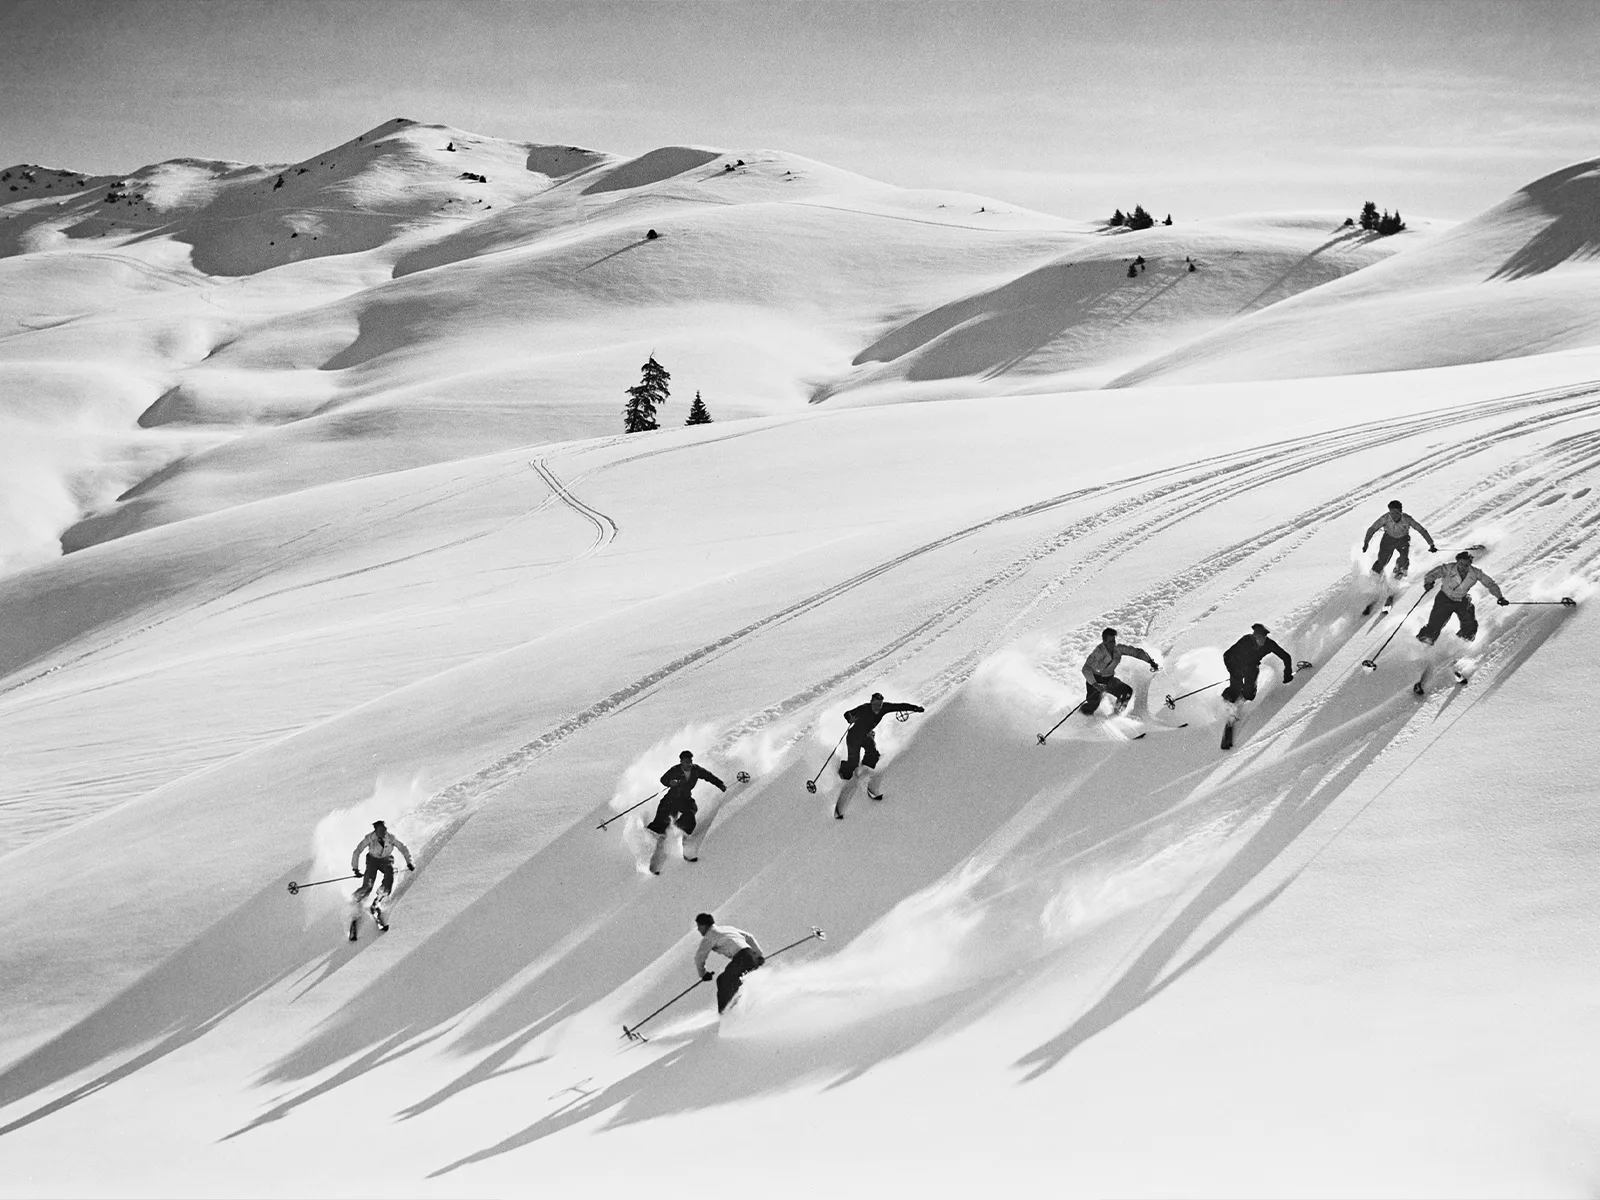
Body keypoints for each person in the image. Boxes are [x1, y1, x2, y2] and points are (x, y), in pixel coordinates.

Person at [838, 691, 925, 801]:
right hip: (854, 738)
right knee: (852, 764)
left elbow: (899, 706)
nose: (877, 707)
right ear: (871, 702)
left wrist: (915, 708)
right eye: (875, 704)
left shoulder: (884, 708)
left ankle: (865, 769)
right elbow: (847, 714)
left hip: (866, 736)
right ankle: (843, 770)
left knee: (874, 754)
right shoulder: (864, 708)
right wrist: (851, 718)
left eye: (879, 705)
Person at [1417, 551, 1507, 644]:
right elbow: (1433, 573)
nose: (1463, 567)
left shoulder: (1476, 573)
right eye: (1461, 564)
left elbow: (1490, 584)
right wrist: (1428, 582)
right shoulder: (1449, 568)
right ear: (1457, 562)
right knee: (1436, 622)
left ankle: (1464, 640)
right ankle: (1424, 641)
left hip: (1461, 599)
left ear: (1470, 564)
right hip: (1444, 598)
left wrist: (1500, 597)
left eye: (1466, 565)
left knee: (1469, 619)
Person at [349, 820, 414, 939]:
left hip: (386, 861)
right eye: (381, 831)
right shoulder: (369, 838)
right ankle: (356, 899)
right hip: (372, 861)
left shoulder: (391, 838)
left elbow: (403, 848)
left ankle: (377, 900)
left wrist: (409, 862)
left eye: (384, 830)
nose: (384, 832)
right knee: (367, 886)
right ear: (376, 831)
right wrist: (355, 869)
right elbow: (357, 851)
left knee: (388, 880)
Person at [645, 751, 726, 846]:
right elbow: (663, 779)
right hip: (672, 798)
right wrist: (670, 782)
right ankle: (650, 836)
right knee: (662, 819)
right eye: (686, 762)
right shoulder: (675, 770)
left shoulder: (696, 769)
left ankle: (678, 833)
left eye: (690, 761)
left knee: (691, 815)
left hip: (685, 798)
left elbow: (708, 776)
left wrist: (720, 784)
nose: (689, 764)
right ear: (681, 762)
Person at [693, 912, 766, 1013]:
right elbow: (749, 937)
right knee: (737, 980)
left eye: (699, 926)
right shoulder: (727, 928)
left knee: (723, 980)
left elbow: (699, 958)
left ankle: (726, 1011)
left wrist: (703, 974)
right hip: (750, 956)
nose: (698, 930)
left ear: (704, 926)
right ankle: (741, 1005)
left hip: (742, 957)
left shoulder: (710, 936)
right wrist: (758, 955)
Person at [1080, 627, 1159, 715]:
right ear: (1104, 641)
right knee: (1093, 704)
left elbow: (1136, 652)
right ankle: (1081, 716)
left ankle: (1116, 714)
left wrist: (1150, 661)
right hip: (1095, 680)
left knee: (1126, 692)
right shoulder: (1098, 653)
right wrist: (1095, 684)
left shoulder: (1118, 649)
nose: (1113, 644)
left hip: (1108, 679)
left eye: (1114, 641)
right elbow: (1086, 669)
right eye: (1110, 642)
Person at [1362, 500, 1437, 579]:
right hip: (1388, 540)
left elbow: (1421, 530)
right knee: (1382, 561)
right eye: (1392, 513)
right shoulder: (1385, 518)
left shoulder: (1407, 519)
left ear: (1401, 512)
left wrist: (1431, 544)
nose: (1394, 516)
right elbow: (1372, 529)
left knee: (1404, 558)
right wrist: (1366, 542)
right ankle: (1374, 576)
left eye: (1396, 513)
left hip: (1403, 540)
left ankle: (1400, 570)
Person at [1221, 624, 1294, 703]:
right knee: (1235, 688)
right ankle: (1224, 704)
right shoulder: (1246, 640)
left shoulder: (1270, 645)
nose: (1256, 639)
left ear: (1264, 637)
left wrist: (1287, 673)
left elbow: (1286, 657)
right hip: (1238, 666)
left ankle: (1238, 702)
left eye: (1259, 637)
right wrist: (1233, 671)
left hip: (1252, 668)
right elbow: (1227, 655)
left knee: (1249, 695)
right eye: (1254, 637)